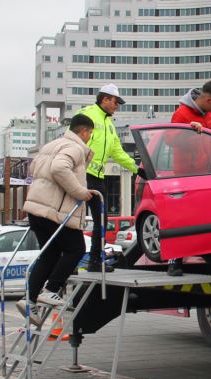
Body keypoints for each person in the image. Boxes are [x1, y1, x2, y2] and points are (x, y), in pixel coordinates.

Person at [19, 114, 96, 325]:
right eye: (90, 134)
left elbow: (34, 169)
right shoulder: (75, 148)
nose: (89, 138)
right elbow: (59, 168)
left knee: (49, 255)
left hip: (36, 209)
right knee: (76, 249)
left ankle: (30, 299)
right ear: (84, 132)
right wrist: (80, 191)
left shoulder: (51, 145)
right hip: (56, 212)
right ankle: (51, 290)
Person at [166, 80, 211, 276]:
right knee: (181, 217)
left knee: (203, 216)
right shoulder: (182, 114)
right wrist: (189, 132)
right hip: (186, 173)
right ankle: (174, 261)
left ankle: (206, 255)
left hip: (206, 171)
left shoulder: (208, 113)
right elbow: (169, 140)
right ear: (208, 99)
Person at [75, 84, 138, 273]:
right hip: (80, 175)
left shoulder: (110, 126)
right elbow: (74, 141)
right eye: (115, 102)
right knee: (74, 220)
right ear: (105, 99)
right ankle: (69, 261)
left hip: (98, 178)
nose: (117, 106)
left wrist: (138, 169)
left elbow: (118, 153)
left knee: (101, 221)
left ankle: (96, 260)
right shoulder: (87, 114)